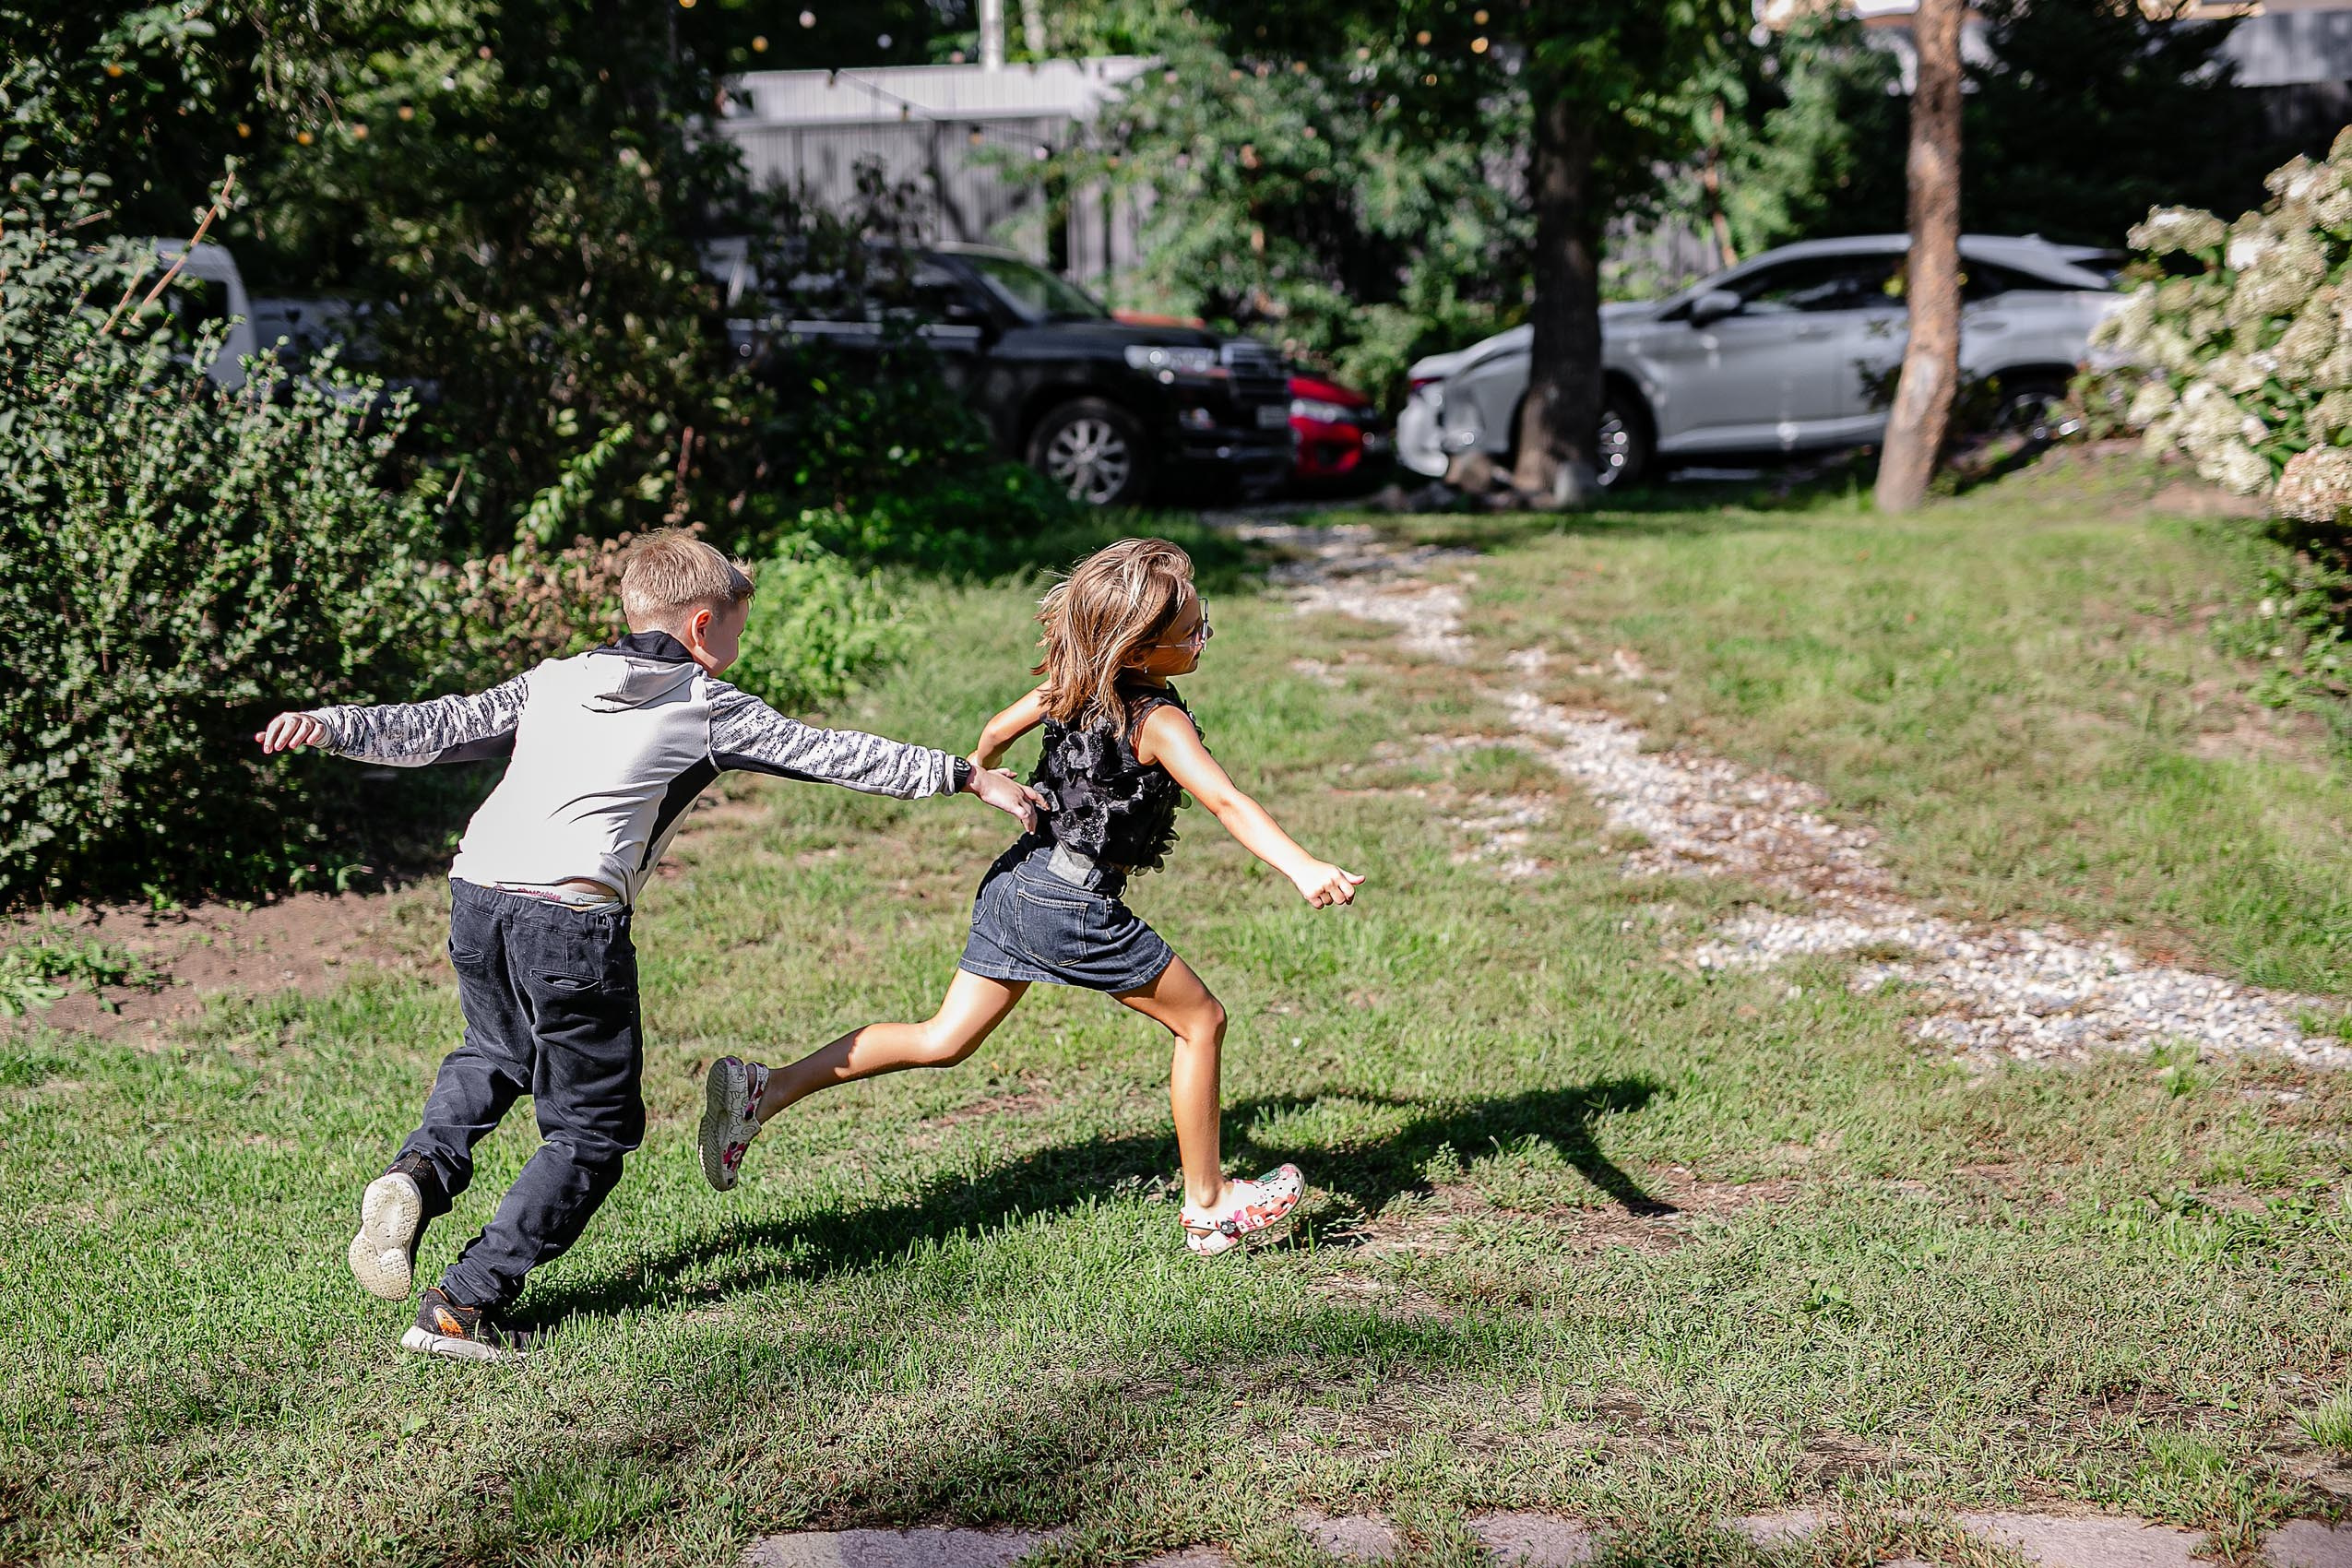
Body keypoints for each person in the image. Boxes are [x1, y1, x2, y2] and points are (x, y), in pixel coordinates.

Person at [255, 529, 1043, 1360]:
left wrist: (331, 724)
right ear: (704, 627)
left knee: (493, 1052)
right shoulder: (706, 704)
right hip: (570, 920)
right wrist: (967, 774)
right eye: (738, 628)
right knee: (592, 1132)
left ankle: (418, 1173)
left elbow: (446, 725)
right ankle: (463, 1305)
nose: (738, 646)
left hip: (477, 893)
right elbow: (834, 754)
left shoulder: (557, 678)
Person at [700, 537, 1363, 1255]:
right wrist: (1300, 865)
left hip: (1016, 882)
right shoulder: (1160, 722)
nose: (1205, 638)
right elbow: (1228, 802)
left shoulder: (1067, 684)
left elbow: (992, 731)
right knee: (1201, 1023)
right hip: (1071, 906)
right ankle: (1209, 1205)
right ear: (1140, 651)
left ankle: (763, 1090)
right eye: (1193, 631)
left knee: (941, 1040)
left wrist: (985, 771)